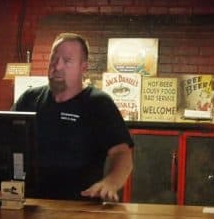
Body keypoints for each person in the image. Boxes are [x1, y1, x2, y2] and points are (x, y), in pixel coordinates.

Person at [13, 32, 134, 201]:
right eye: (54, 59)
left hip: (80, 209)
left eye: (67, 61)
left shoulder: (98, 103)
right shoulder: (29, 99)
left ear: (83, 67)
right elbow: (5, 141)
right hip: (30, 205)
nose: (58, 66)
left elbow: (122, 153)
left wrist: (111, 183)